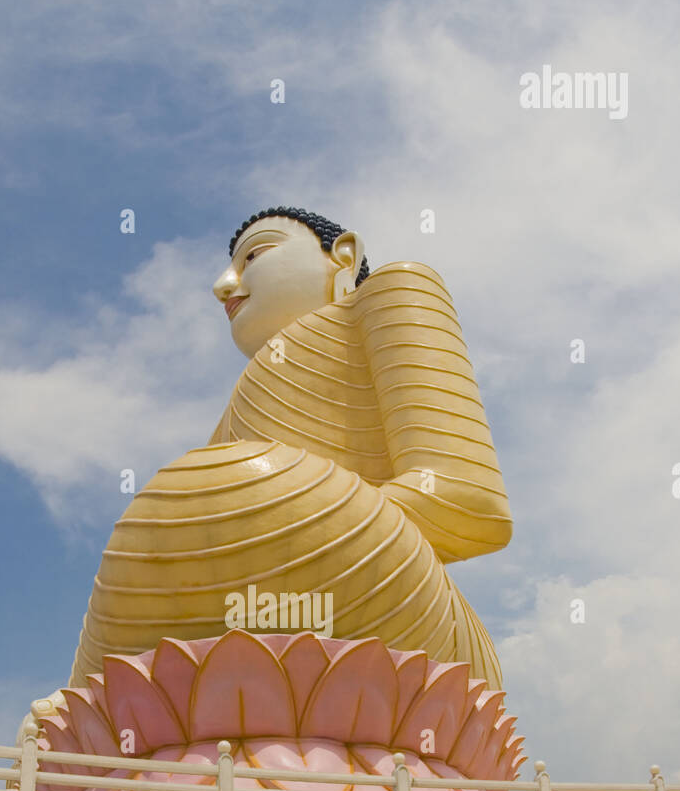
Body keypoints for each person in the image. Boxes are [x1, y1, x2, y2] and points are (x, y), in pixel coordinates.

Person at [69, 208, 512, 691]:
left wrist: (300, 511)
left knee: (202, 493)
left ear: (343, 258)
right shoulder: (231, 421)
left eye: (254, 255)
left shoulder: (393, 293)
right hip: (242, 615)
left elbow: (473, 505)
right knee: (157, 521)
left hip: (393, 604)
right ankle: (82, 699)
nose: (224, 285)